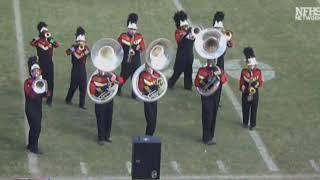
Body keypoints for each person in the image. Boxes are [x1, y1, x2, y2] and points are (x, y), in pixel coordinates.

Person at [194, 59, 228, 145]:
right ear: (207, 60)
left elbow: (224, 80)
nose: (212, 62)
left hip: (215, 96)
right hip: (206, 96)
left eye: (213, 60)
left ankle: (210, 136)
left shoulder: (219, 70)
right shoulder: (202, 70)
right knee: (207, 115)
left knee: (213, 115)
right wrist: (207, 79)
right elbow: (197, 83)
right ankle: (206, 138)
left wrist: (219, 74)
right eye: (210, 60)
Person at [89, 70, 124, 145]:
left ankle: (107, 136)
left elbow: (121, 81)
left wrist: (112, 76)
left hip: (109, 100)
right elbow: (92, 90)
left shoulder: (111, 75)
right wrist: (104, 88)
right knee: (101, 118)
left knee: (109, 117)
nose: (103, 70)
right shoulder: (95, 78)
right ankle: (101, 137)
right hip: (100, 101)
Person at [30, 22, 59, 106]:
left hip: (49, 63)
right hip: (41, 63)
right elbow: (32, 43)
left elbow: (57, 45)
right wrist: (39, 36)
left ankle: (49, 99)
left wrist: (50, 38)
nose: (46, 32)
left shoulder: (50, 39)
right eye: (44, 30)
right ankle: (40, 95)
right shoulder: (37, 40)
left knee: (50, 82)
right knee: (40, 80)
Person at [118, 13, 145, 99]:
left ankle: (134, 94)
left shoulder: (139, 37)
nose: (133, 31)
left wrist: (139, 47)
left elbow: (143, 47)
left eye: (134, 29)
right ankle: (118, 88)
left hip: (136, 60)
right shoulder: (123, 36)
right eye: (131, 29)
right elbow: (118, 47)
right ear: (128, 28)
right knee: (124, 76)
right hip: (126, 60)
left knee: (136, 76)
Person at [168, 10, 195, 90]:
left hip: (190, 55)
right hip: (181, 56)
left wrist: (192, 32)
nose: (186, 27)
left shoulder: (190, 32)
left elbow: (195, 38)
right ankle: (170, 83)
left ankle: (188, 86)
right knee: (177, 72)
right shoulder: (178, 32)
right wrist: (188, 32)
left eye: (186, 25)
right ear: (180, 26)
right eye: (184, 26)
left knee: (189, 71)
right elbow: (181, 39)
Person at [24, 56, 46, 154]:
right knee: (36, 128)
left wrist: (46, 87)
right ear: (31, 72)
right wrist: (34, 86)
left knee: (34, 127)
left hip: (38, 108)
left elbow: (46, 95)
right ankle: (34, 147)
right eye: (35, 71)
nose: (37, 73)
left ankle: (30, 144)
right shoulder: (28, 82)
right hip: (30, 108)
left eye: (38, 71)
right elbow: (30, 95)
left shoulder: (41, 82)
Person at [65, 26, 90, 109]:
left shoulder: (86, 48)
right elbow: (67, 52)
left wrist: (86, 51)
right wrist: (76, 47)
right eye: (80, 41)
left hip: (83, 70)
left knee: (83, 87)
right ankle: (68, 99)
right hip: (75, 69)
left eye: (83, 41)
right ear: (77, 41)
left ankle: (81, 104)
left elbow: (90, 54)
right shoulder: (74, 47)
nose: (82, 43)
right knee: (73, 86)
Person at [240, 47, 264, 130]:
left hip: (254, 92)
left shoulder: (258, 72)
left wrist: (257, 84)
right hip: (246, 91)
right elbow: (242, 81)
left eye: (252, 65)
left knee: (254, 109)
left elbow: (261, 81)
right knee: (245, 108)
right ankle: (245, 122)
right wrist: (242, 86)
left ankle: (253, 124)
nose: (250, 67)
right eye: (249, 65)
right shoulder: (244, 71)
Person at [138, 65, 161, 136]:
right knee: (150, 120)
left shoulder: (157, 74)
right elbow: (141, 87)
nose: (150, 69)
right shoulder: (143, 75)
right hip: (147, 99)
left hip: (154, 99)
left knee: (154, 120)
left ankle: (150, 135)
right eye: (148, 67)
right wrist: (149, 90)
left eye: (151, 67)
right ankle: (148, 135)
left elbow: (160, 83)